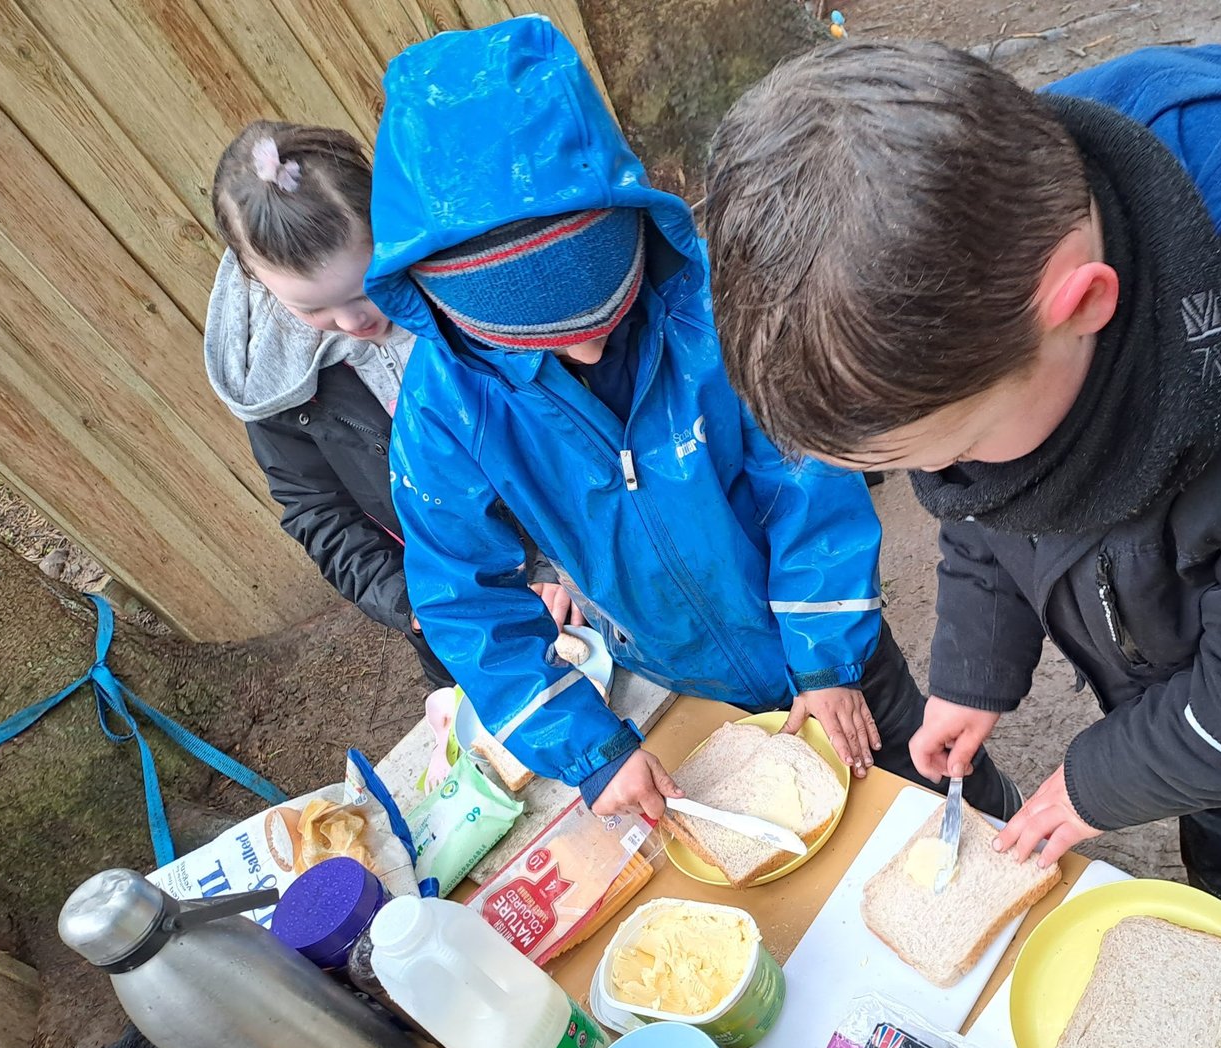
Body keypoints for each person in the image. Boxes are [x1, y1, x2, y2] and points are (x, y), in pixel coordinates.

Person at [703, 42, 1221, 1032]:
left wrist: (1098, 782)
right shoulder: (993, 342)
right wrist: (973, 672)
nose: (945, 477)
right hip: (1189, 722)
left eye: (954, 442)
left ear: (1081, 305)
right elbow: (982, 510)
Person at [363, 17, 1017, 820]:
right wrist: (592, 749)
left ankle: (1004, 823)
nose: (594, 351)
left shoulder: (714, 301)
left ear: (636, 227)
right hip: (687, 672)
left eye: (607, 305)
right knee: (799, 830)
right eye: (548, 336)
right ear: (447, 306)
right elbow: (466, 599)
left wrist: (825, 659)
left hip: (830, 644)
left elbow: (804, 466)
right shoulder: (444, 409)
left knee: (934, 789)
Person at [206, 121, 571, 685]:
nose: (354, 322)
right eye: (314, 310)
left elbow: (557, 422)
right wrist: (414, 602)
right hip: (460, 619)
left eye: (368, 286)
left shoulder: (470, 285)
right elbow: (317, 512)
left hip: (583, 560)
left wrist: (556, 562)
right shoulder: (271, 387)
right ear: (258, 282)